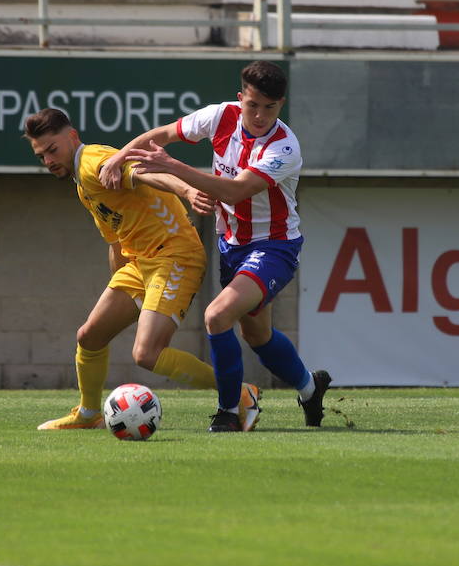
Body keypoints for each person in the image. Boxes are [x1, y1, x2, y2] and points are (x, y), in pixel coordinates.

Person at [101, 61, 331, 433]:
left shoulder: (284, 147)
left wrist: (174, 168)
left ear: (281, 105)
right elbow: (160, 134)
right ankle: (310, 387)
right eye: (253, 105)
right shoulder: (219, 116)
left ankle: (230, 410)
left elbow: (235, 189)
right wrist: (118, 156)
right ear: (241, 99)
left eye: (269, 108)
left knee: (216, 315)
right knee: (257, 336)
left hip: (273, 247)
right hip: (232, 245)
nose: (259, 115)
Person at [22, 108, 261, 432]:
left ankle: (241, 393)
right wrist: (118, 286)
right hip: (140, 263)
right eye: (42, 155)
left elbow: (146, 171)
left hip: (175, 256)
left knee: (146, 354)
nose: (49, 160)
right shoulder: (83, 184)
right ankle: (90, 412)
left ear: (73, 137)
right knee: (89, 337)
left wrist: (187, 190)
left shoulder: (93, 162)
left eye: (53, 149)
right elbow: (116, 240)